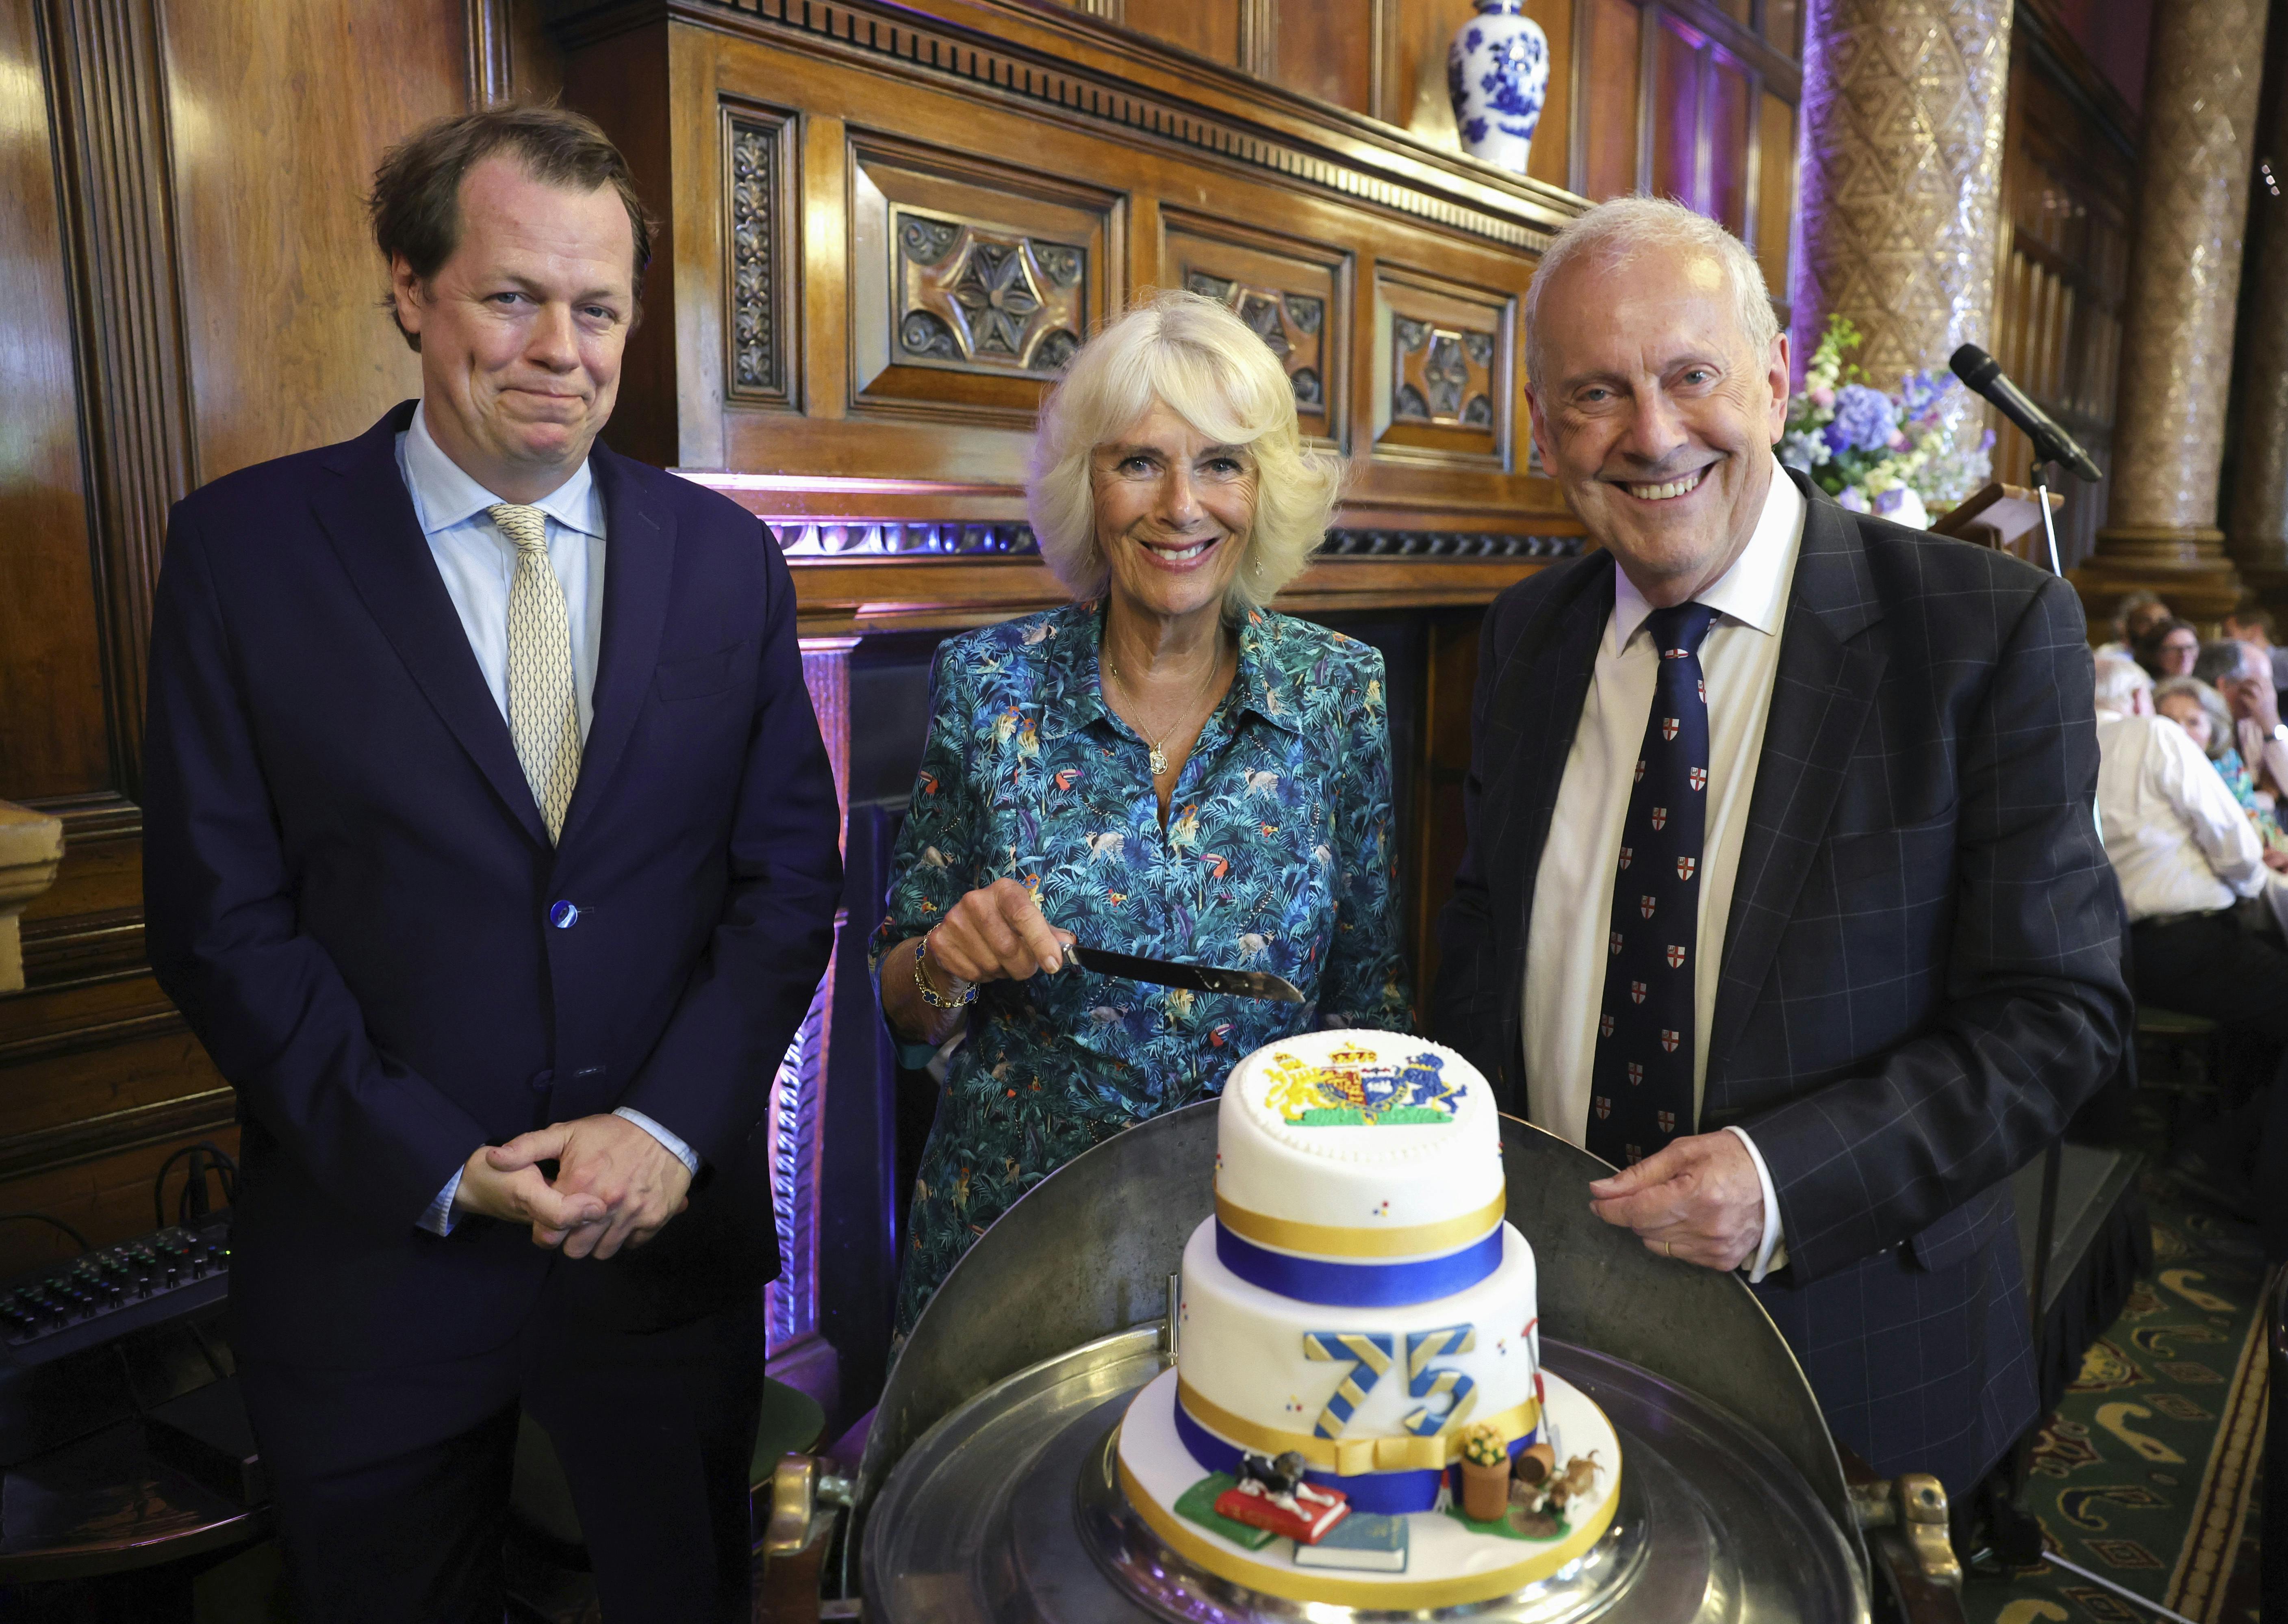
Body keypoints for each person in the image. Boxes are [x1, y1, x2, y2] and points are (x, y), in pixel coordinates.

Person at [140, 107, 844, 1622]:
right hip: (372, 1278)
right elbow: (220, 922)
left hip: (662, 1282)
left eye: (597, 308)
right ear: (409, 288)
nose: (560, 349)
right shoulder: (242, 553)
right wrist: (436, 1164)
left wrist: (663, 1126)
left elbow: (788, 882)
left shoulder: (726, 562)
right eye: (511, 296)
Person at [1430, 196, 2129, 1502]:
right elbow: (1482, 934)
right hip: (1545, 1341)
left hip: (1851, 1358)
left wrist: (1778, 1185)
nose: (1650, 434)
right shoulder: (1526, 635)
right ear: (1541, 428)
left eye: (1690, 375)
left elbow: (2057, 1015)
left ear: (1771, 376)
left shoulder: (1982, 633)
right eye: (1594, 393)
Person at [873, 291, 1409, 1332]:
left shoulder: (1341, 695)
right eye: (1138, 463)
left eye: (1220, 463)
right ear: (1089, 485)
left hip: (1260, 1237)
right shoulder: (988, 686)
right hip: (1013, 1238)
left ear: (1263, 490)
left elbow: (1367, 1008)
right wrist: (950, 955)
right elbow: (903, 1000)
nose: (1180, 506)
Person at [2155, 674, 2288, 862]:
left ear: (2212, 733)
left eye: (2193, 722)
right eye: (2169, 721)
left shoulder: (2227, 762)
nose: (2180, 731)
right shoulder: (2158, 771)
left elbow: (2253, 814)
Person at [2192, 638, 2288, 802]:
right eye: (2262, 683)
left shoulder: (2255, 721)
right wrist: (2268, 798)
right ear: (2224, 685)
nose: (2270, 694)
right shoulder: (2196, 725)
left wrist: (2272, 724)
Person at [2222, 598, 2288, 692]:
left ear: (2254, 631)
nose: (2225, 641)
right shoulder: (2234, 670)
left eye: (2229, 634)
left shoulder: (2284, 661)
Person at [2095, 588, 2170, 659]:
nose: (2155, 627)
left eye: (2162, 622)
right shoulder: (2110, 656)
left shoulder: (2176, 658)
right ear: (2126, 626)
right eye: (2145, 622)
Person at [2136, 616, 2202, 680]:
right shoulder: (2143, 686)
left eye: (2190, 648)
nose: (2184, 655)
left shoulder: (2203, 688)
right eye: (2174, 649)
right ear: (2155, 654)